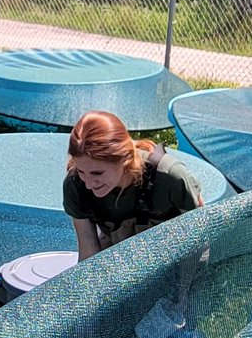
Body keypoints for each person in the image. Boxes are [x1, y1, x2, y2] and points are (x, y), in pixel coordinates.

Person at [64, 110, 204, 261]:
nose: (89, 184)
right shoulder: (76, 186)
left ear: (124, 159)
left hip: (174, 255)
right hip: (120, 254)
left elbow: (203, 234)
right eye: (81, 171)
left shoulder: (170, 176)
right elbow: (88, 252)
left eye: (97, 173)